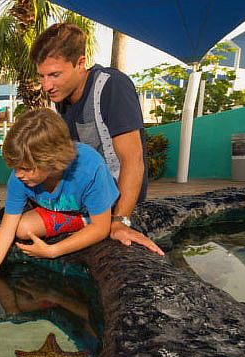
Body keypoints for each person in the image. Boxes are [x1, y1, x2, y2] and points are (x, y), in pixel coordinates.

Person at [30, 22, 164, 256]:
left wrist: (120, 220)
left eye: (54, 75)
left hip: (113, 201)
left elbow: (133, 160)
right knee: (22, 226)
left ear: (80, 63)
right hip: (85, 196)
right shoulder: (61, 97)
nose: (46, 86)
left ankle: (97, 226)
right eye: (41, 76)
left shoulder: (111, 86)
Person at [0, 108, 119, 294]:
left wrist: (53, 250)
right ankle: (79, 222)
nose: (18, 175)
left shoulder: (89, 167)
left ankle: (84, 220)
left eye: (25, 168)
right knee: (21, 229)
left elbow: (101, 228)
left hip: (92, 212)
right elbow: (6, 230)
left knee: (98, 223)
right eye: (15, 168)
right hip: (59, 210)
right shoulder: (19, 177)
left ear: (52, 160)